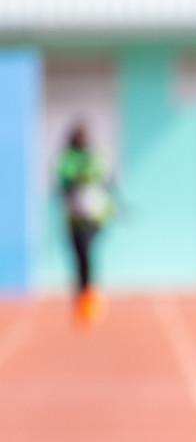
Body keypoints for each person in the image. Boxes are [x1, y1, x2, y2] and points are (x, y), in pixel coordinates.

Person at [57, 124, 114, 329]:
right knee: (79, 258)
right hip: (75, 220)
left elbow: (108, 182)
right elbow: (62, 186)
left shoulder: (96, 158)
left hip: (94, 218)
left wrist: (114, 204)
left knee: (87, 254)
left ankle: (89, 299)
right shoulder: (67, 160)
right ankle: (82, 298)